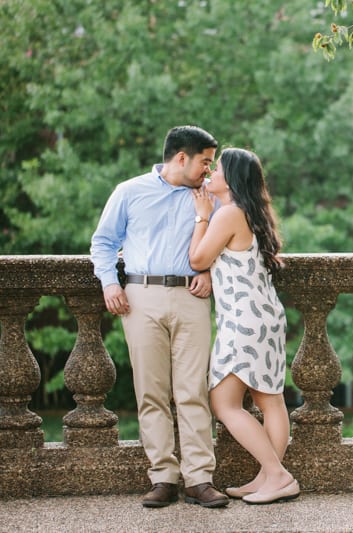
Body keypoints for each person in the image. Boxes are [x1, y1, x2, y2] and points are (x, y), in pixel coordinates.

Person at [90, 126, 230, 509]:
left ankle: (200, 478)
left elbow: (226, 243)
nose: (209, 169)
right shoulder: (130, 192)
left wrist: (209, 271)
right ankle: (164, 477)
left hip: (192, 298)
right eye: (205, 161)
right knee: (151, 392)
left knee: (192, 391)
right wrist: (108, 283)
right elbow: (103, 242)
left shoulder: (209, 198)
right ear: (181, 158)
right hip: (140, 298)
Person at [188, 147, 299, 505]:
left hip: (243, 322)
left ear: (231, 178)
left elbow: (197, 258)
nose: (210, 174)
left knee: (224, 403)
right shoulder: (253, 213)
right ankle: (268, 478)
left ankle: (278, 475)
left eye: (217, 169)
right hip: (266, 318)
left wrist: (201, 217)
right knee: (270, 401)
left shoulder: (228, 214)